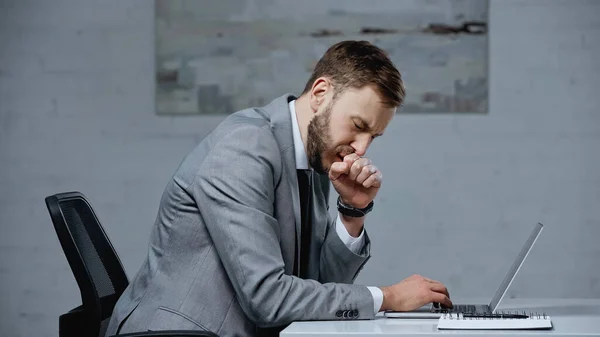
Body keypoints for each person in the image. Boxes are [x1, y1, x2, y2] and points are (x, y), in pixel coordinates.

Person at [106, 40, 452, 337]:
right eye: (358, 126)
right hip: (179, 333)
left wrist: (351, 211)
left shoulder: (315, 157)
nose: (361, 148)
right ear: (320, 93)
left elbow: (315, 285)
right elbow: (267, 298)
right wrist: (388, 297)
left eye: (372, 136)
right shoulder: (244, 148)